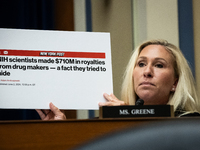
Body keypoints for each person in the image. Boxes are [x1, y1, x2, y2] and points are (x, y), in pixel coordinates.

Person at [36, 39, 200, 120]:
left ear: (175, 83)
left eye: (159, 65)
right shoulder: (108, 120)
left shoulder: (191, 122)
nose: (147, 71)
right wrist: (60, 131)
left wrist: (129, 119)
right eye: (141, 64)